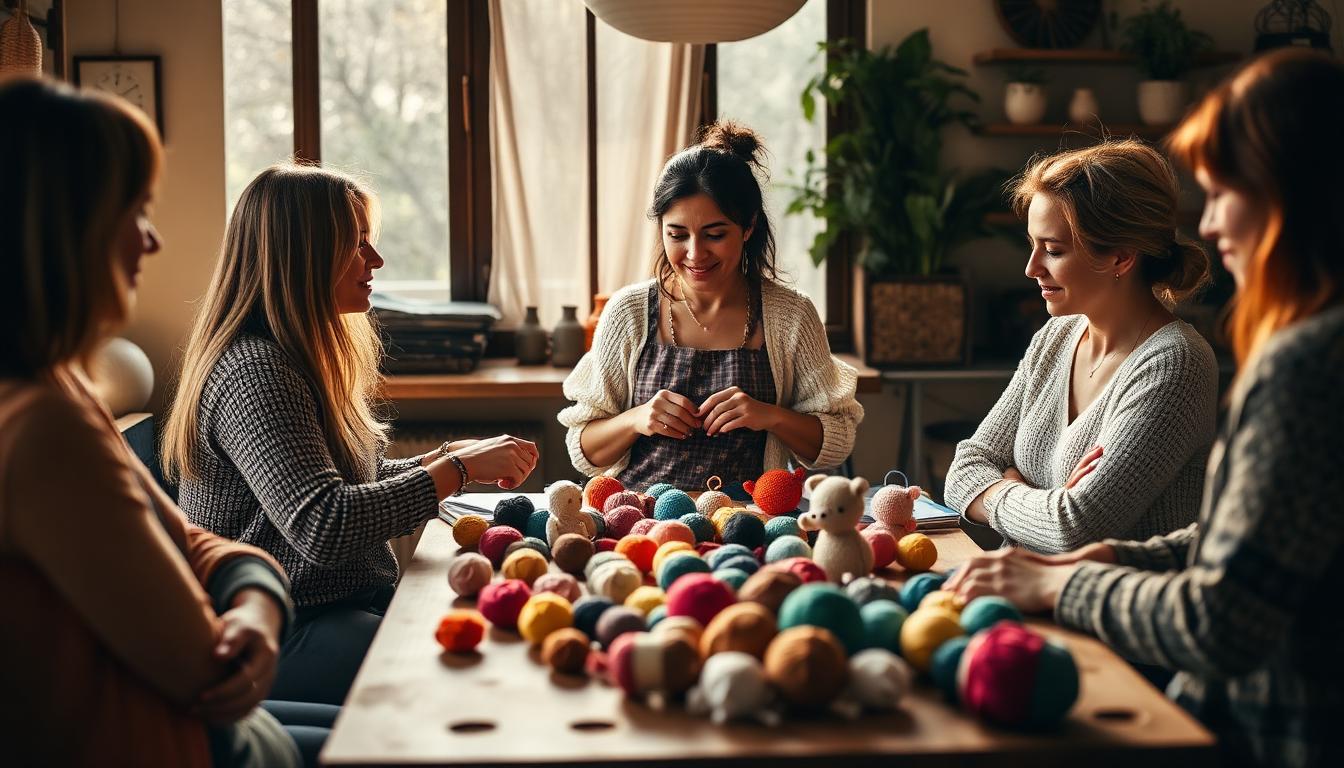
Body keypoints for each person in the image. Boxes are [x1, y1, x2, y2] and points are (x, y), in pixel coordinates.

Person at [946, 49, 1344, 768]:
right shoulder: (1056, 337)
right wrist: (1105, 551)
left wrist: (1067, 570)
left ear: (1293, 196)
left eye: (1226, 193)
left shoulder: (1290, 365)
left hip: (1270, 731)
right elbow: (1240, 549)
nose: (1212, 225)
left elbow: (1217, 613)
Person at [0, 77, 321, 767]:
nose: (152, 240)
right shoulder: (41, 428)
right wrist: (255, 612)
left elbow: (184, 540)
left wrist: (257, 599)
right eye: (136, 211)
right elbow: (201, 666)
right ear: (67, 228)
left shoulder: (60, 386)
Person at [161, 164, 538, 706]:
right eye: (357, 244)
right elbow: (324, 524)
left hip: (333, 609)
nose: (376, 261)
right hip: (284, 629)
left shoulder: (292, 357)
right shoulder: (255, 371)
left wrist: (448, 456)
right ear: (302, 254)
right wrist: (453, 473)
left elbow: (343, 485)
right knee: (474, 675)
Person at [943, 139, 1219, 554]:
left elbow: (1075, 528)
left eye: (1053, 250)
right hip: (1025, 594)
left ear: (1121, 258)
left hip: (1108, 611)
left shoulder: (1177, 365)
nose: (1031, 268)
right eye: (1033, 245)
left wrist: (1002, 490)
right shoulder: (1055, 338)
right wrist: (1042, 504)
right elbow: (964, 469)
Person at [558, 121, 863, 492]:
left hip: (750, 522)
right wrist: (637, 419)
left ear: (748, 227)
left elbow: (836, 444)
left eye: (715, 235)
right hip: (639, 521)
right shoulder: (628, 312)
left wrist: (769, 416)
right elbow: (583, 449)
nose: (695, 253)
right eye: (677, 235)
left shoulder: (792, 316)